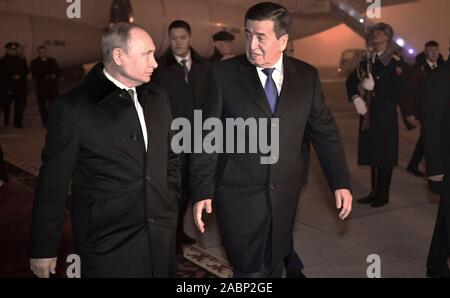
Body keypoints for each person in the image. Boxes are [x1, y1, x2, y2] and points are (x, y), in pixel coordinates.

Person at [190, 2, 352, 278]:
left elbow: (325, 133)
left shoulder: (307, 76)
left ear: (283, 40)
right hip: (237, 195)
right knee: (250, 270)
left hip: (285, 195)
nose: (252, 45)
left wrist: (340, 182)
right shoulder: (223, 75)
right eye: (248, 34)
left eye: (261, 37)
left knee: (276, 264)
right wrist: (202, 189)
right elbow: (206, 136)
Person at [29, 22, 181, 278]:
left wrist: (170, 199)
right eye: (146, 54)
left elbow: (172, 156)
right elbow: (52, 183)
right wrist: (43, 247)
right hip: (107, 241)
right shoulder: (72, 108)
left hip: (160, 233)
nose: (154, 63)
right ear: (118, 56)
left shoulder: (158, 96)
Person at [153, 20, 210, 253]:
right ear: (169, 39)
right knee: (173, 189)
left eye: (182, 37)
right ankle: (171, 236)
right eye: (173, 37)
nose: (178, 42)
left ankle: (178, 230)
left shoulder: (204, 67)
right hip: (173, 139)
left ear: (190, 38)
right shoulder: (159, 70)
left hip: (200, 138)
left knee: (191, 188)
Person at [346, 23, 404, 208]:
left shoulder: (395, 62)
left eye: (380, 32)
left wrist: (376, 87)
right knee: (373, 152)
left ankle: (383, 193)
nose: (375, 35)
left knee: (385, 154)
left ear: (388, 37)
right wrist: (356, 98)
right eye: (374, 32)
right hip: (368, 112)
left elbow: (399, 91)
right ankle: (374, 191)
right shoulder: (367, 60)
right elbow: (351, 80)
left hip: (385, 114)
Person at [422, 60, 450, 278]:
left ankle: (436, 264)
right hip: (446, 163)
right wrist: (435, 168)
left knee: (444, 218)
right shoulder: (440, 76)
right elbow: (431, 125)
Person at [401, 41, 445, 178]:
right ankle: (431, 170)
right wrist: (409, 114)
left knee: (426, 139)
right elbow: (409, 93)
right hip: (425, 111)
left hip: (440, 111)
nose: (434, 53)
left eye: (436, 50)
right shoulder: (416, 69)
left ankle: (414, 165)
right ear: (425, 51)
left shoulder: (442, 68)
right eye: (431, 50)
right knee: (429, 139)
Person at [0, 42, 29, 128]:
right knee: (5, 105)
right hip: (7, 87)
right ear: (7, 50)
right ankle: (6, 120)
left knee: (19, 106)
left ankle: (18, 123)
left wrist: (20, 75)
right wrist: (12, 77)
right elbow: (1, 74)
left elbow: (26, 70)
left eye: (14, 49)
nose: (13, 51)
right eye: (11, 50)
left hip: (19, 87)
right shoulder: (2, 61)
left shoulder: (21, 59)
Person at [31, 46, 61, 126]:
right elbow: (35, 75)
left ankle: (51, 119)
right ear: (38, 52)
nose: (42, 53)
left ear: (46, 52)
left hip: (53, 88)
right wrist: (46, 76)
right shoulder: (34, 62)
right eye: (40, 52)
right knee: (42, 106)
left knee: (53, 105)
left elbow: (58, 72)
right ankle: (45, 122)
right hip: (41, 88)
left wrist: (54, 76)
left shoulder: (52, 61)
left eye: (44, 52)